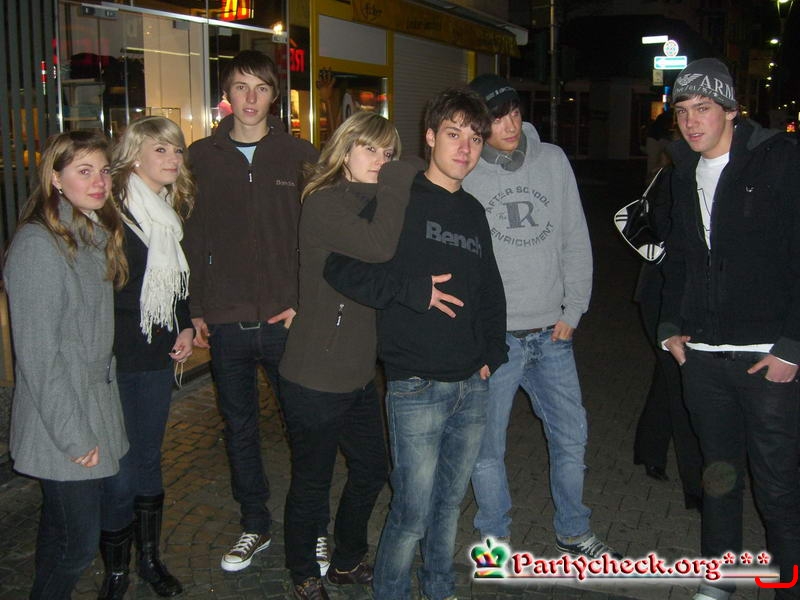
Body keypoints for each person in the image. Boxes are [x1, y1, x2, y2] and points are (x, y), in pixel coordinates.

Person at [324, 87, 508, 600]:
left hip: (472, 384)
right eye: (453, 134)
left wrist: (492, 354)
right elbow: (340, 266)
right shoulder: (397, 199)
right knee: (410, 511)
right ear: (429, 136)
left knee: (449, 505)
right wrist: (413, 292)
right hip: (416, 384)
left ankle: (439, 587)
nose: (465, 148)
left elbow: (490, 289)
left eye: (475, 138)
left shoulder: (473, 211)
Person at [659, 58, 800, 600]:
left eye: (703, 108)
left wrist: (792, 347)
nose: (691, 121)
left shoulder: (779, 160)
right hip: (703, 359)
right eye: (682, 111)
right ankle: (721, 580)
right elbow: (678, 259)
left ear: (732, 110)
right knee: (719, 480)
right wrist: (670, 326)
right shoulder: (682, 171)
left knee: (778, 488)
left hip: (767, 360)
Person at [462, 74, 618, 559]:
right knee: (487, 448)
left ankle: (573, 530)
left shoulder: (552, 160)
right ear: (479, 125)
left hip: (553, 333)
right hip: (497, 339)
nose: (509, 124)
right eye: (496, 118)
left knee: (571, 437)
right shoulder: (467, 172)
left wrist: (575, 308)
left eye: (513, 112)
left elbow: (575, 236)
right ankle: (494, 538)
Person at [183, 49, 318, 573]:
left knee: (305, 427)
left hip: (287, 322)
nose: (250, 98)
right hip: (227, 322)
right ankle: (254, 523)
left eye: (260, 87)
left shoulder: (300, 155)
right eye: (240, 86)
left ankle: (313, 528)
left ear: (274, 95)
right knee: (239, 430)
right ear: (226, 94)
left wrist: (304, 302)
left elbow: (318, 235)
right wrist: (195, 307)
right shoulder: (201, 157)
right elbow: (192, 237)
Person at [277, 111, 405, 599]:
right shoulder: (325, 202)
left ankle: (347, 559)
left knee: (372, 469)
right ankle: (303, 572)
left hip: (357, 374)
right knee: (312, 482)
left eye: (388, 153)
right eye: (370, 148)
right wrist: (400, 181)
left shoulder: (380, 204)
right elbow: (379, 246)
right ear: (345, 149)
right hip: (314, 374)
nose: (381, 161)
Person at [3, 130, 129, 599]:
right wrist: (74, 435)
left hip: (90, 405)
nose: (99, 182)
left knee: (61, 534)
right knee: (75, 545)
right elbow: (39, 356)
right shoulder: (40, 245)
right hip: (61, 416)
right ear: (55, 179)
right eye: (84, 171)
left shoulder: (88, 233)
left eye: (104, 171)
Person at [96, 116, 196, 599]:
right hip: (113, 356)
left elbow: (176, 281)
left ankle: (150, 559)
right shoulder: (110, 211)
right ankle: (116, 573)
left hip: (156, 354)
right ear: (135, 156)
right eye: (161, 150)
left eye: (177, 150)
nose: (173, 159)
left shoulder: (166, 210)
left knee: (148, 459)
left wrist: (184, 324)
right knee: (118, 467)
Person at [631, 165, 703, 509]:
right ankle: (697, 486)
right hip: (664, 296)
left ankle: (649, 450)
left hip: (689, 297)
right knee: (683, 385)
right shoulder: (680, 173)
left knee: (669, 378)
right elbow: (667, 231)